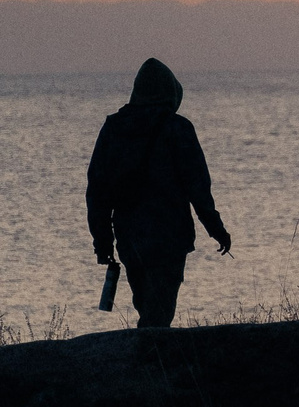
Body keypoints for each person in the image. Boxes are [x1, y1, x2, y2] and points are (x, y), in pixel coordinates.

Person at [85, 58, 232, 328]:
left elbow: (97, 190)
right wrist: (216, 228)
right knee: (160, 311)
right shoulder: (178, 128)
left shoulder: (114, 128)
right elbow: (198, 185)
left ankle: (148, 361)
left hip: (129, 235)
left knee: (147, 305)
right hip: (169, 234)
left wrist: (102, 242)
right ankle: (152, 363)